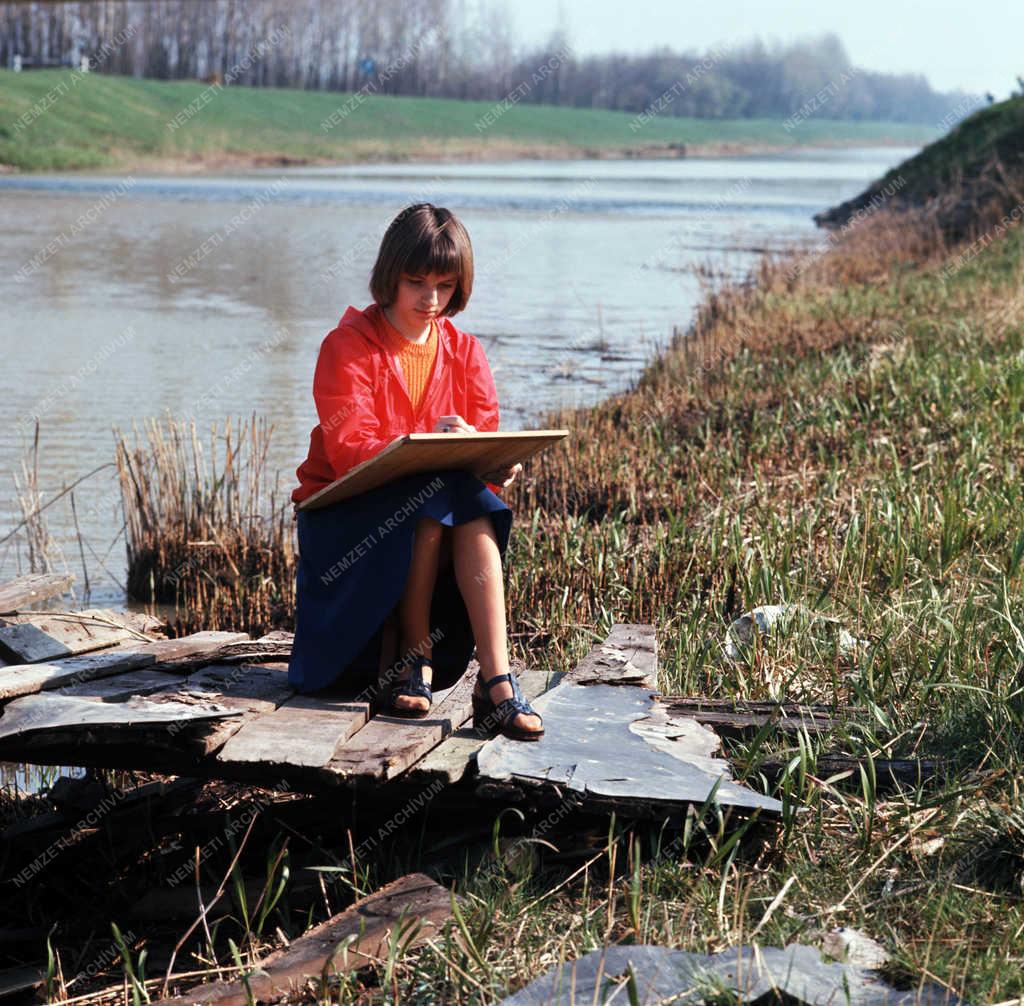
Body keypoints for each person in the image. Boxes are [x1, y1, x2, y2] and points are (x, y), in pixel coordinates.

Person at [287, 202, 543, 742]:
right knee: (436, 493)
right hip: (346, 517)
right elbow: (349, 452)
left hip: (436, 512)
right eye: (416, 282)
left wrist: (491, 461)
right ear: (389, 276)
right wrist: (426, 452)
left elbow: (481, 463)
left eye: (445, 286)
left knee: (468, 501)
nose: (431, 300)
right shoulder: (347, 346)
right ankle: (413, 654)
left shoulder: (466, 352)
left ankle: (495, 678)